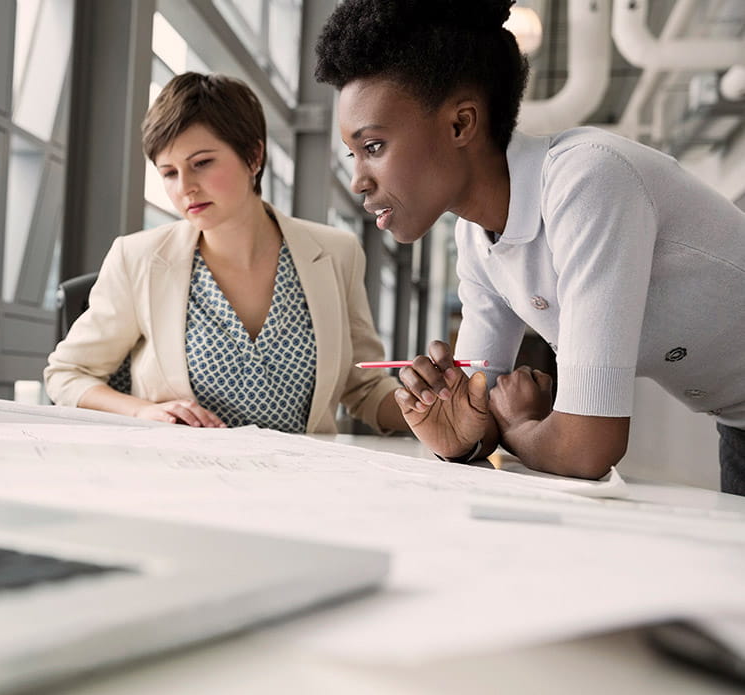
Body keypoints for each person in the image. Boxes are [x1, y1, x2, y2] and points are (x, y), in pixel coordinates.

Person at [314, 0, 745, 493]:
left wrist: (518, 428)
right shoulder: (475, 241)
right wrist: (458, 436)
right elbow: (478, 407)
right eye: (353, 155)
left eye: (373, 148)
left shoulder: (588, 181)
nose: (356, 182)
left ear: (461, 124)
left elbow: (587, 447)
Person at [45, 72, 408, 434]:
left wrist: (435, 410)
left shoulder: (336, 254)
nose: (185, 187)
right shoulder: (138, 258)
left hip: (299, 483)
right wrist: (141, 412)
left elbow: (365, 387)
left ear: (253, 156)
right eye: (169, 173)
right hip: (180, 478)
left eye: (201, 163)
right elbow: (66, 374)